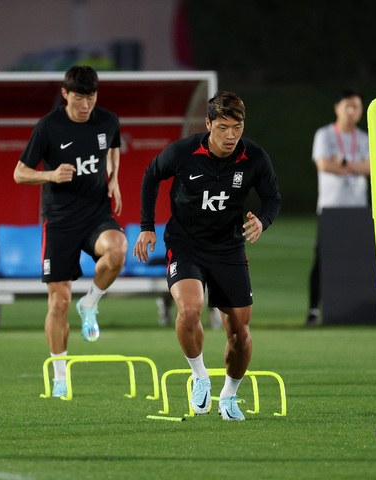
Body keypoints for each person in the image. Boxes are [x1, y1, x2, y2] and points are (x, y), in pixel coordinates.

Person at [133, 91, 281, 421]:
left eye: (238, 127)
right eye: (223, 127)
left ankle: (229, 396)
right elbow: (151, 175)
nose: (231, 135)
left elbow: (272, 198)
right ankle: (199, 376)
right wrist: (147, 226)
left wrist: (263, 220)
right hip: (185, 244)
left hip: (228, 249)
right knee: (189, 310)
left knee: (240, 334)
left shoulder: (254, 157)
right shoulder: (184, 152)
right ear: (209, 124)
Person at [14, 66, 127, 398]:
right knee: (59, 302)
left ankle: (90, 303)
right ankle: (61, 378)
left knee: (117, 249)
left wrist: (115, 178)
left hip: (96, 214)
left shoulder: (108, 120)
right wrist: (50, 176)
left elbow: (113, 148)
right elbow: (20, 174)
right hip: (60, 220)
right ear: (65, 94)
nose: (85, 105)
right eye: (79, 98)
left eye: (91, 97)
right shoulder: (48, 127)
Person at [305, 90, 370, 326]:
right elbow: (323, 165)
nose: (352, 111)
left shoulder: (364, 137)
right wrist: (355, 166)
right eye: (348, 106)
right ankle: (313, 309)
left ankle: (355, 309)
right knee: (322, 259)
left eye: (357, 107)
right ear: (337, 108)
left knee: (358, 259)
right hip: (330, 207)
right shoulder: (324, 135)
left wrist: (341, 162)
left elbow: (371, 168)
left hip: (358, 208)